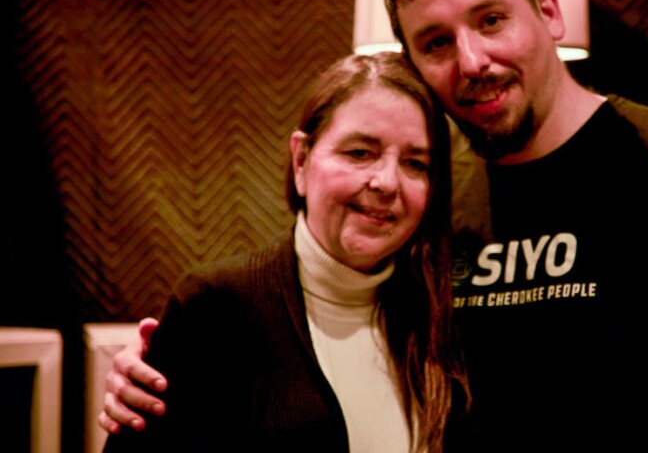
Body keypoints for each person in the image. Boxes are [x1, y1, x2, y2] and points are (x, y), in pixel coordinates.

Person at [101, 0, 648, 451]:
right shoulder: (438, 206)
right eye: (436, 42)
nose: (471, 60)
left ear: (550, 13)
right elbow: (318, 326)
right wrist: (160, 372)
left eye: (491, 20)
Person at [102, 51, 468, 453]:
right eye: (360, 153)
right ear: (301, 160)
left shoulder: (442, 312)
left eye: (415, 163)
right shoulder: (216, 307)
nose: (386, 182)